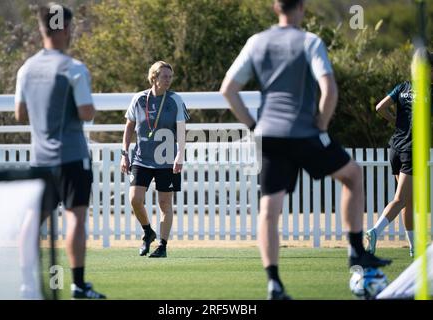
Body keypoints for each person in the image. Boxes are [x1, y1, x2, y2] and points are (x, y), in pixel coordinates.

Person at [220, 0, 392, 300]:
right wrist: (321, 126)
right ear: (301, 8)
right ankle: (356, 252)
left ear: (276, 8)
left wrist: (252, 125)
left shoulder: (256, 42)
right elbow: (329, 89)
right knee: (352, 176)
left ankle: (274, 283)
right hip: (304, 133)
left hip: (269, 135)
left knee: (268, 211)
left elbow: (228, 90)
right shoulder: (310, 41)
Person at [14, 3, 106, 299]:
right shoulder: (74, 68)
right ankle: (78, 284)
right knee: (75, 217)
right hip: (72, 157)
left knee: (32, 219)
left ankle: (27, 283)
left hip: (40, 159)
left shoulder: (26, 68)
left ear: (41, 29)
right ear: (67, 29)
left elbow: (20, 113)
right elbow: (86, 111)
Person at [366, 51, 433, 258]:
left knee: (408, 200)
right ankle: (375, 231)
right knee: (400, 199)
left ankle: (414, 248)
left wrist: (396, 122)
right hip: (412, 150)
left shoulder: (403, 87)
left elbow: (379, 107)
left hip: (395, 147)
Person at [121, 61, 190, 258]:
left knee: (165, 204)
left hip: (167, 160)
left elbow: (182, 130)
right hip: (142, 159)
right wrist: (124, 153)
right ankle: (148, 232)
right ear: (154, 78)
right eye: (164, 76)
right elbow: (128, 128)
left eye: (170, 76)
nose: (168, 80)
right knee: (135, 199)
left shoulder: (175, 99)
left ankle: (162, 246)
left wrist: (180, 154)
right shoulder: (139, 99)